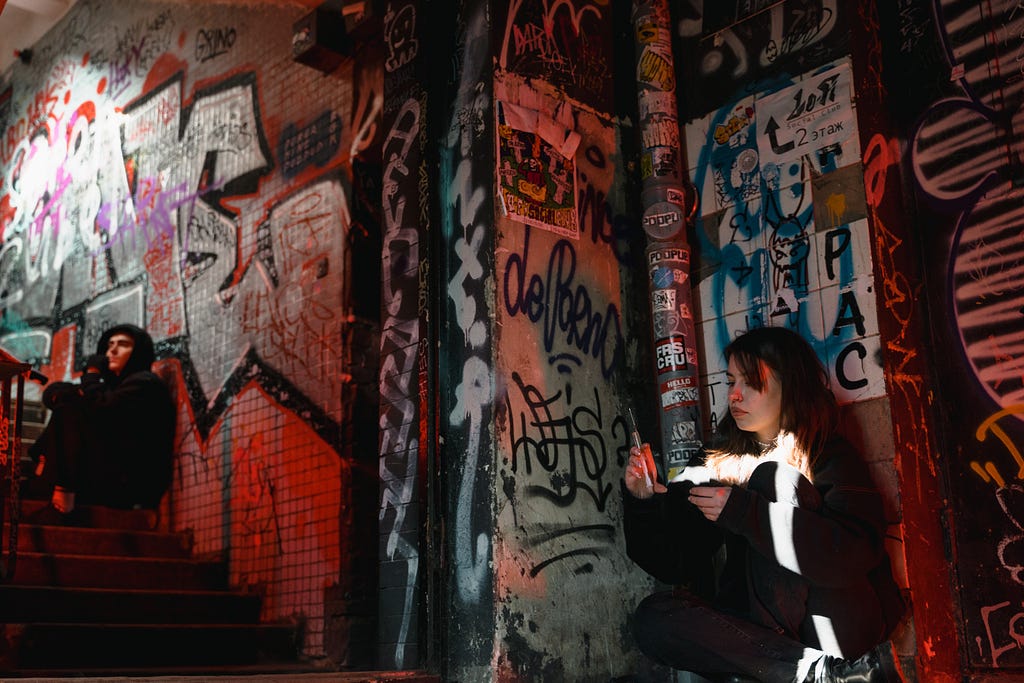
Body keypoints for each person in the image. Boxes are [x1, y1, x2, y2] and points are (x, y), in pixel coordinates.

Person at [622, 326, 907, 683]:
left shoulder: (828, 453)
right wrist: (643, 501)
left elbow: (853, 554)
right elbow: (673, 563)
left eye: (751, 382)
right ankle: (811, 675)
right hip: (774, 650)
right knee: (653, 619)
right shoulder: (715, 460)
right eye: (730, 382)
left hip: (837, 624)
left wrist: (745, 512)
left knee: (775, 478)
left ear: (789, 386)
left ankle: (789, 669)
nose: (735, 395)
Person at [28, 323, 175, 517]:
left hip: (129, 486)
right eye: (109, 345)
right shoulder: (111, 388)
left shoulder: (145, 383)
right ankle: (47, 481)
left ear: (138, 351)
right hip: (105, 476)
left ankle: (62, 493)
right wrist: (83, 389)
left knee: (71, 411)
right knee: (70, 407)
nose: (112, 350)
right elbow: (52, 394)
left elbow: (102, 407)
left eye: (122, 344)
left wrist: (92, 375)